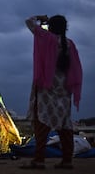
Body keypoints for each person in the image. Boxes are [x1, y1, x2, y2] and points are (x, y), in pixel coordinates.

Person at [21, 15, 82, 170]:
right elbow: (75, 70)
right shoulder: (69, 44)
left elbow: (29, 22)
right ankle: (67, 160)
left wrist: (41, 18)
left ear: (51, 26)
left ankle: (39, 160)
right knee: (65, 127)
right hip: (64, 92)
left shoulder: (47, 38)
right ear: (65, 28)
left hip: (47, 92)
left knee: (41, 125)